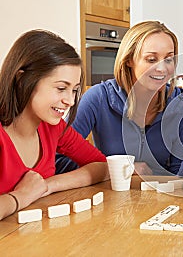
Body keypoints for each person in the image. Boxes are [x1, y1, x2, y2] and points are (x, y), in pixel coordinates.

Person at [56, 21, 183, 177]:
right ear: (129, 60)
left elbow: (177, 173)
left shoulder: (179, 103)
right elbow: (59, 160)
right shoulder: (98, 98)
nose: (162, 68)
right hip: (110, 196)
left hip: (158, 198)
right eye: (151, 59)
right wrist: (118, 168)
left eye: (168, 59)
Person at [0, 30, 109, 221]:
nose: (70, 101)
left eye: (74, 90)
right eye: (61, 88)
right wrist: (21, 196)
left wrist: (48, 185)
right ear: (22, 79)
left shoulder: (52, 128)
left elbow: (102, 167)